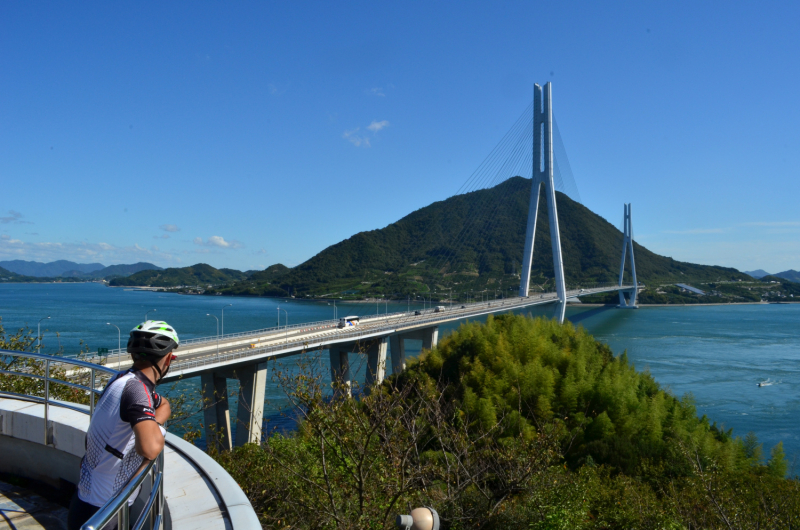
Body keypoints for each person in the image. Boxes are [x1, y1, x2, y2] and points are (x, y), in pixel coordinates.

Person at [67, 320, 178, 530]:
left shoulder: (123, 380)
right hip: (105, 508)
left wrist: (149, 425)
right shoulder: (136, 392)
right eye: (172, 358)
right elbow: (150, 447)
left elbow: (163, 404)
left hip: (87, 498)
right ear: (167, 360)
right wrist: (155, 430)